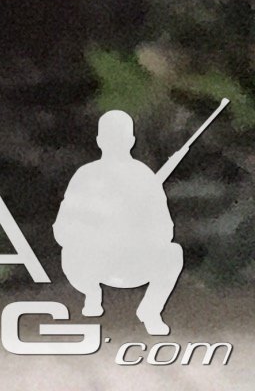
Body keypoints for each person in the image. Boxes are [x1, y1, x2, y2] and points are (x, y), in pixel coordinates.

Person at [54, 110, 188, 335]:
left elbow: (165, 230)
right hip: (93, 263)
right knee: (70, 252)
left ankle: (151, 311)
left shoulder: (144, 177)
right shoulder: (86, 176)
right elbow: (63, 228)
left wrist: (136, 231)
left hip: (134, 263)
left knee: (173, 253)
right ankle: (91, 293)